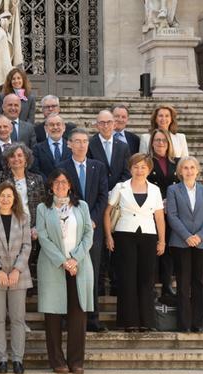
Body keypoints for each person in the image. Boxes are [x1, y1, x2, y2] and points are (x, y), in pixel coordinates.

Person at [36, 169, 94, 374]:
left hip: (80, 266)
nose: (60, 185)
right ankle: (57, 361)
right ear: (51, 187)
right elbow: (43, 237)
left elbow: (89, 234)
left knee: (78, 315)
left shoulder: (82, 206)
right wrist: (63, 261)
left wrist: (74, 259)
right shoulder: (43, 208)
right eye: (56, 182)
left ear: (70, 185)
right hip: (53, 266)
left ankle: (76, 361)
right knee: (52, 315)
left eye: (64, 182)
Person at [105, 153, 166, 332]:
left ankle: (147, 321)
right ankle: (128, 321)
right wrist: (109, 236)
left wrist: (162, 240)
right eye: (136, 167)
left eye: (143, 167)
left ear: (149, 169)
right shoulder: (120, 187)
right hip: (124, 235)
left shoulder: (154, 189)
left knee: (147, 278)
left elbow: (159, 217)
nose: (139, 170)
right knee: (127, 278)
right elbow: (107, 212)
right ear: (130, 168)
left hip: (148, 235)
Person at [57, 129, 109, 332]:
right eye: (76, 141)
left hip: (93, 230)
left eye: (84, 141)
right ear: (69, 144)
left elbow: (103, 195)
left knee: (92, 275)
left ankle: (92, 318)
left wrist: (93, 220)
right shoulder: (62, 167)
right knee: (67, 273)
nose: (81, 145)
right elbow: (62, 196)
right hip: (69, 230)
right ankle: (65, 318)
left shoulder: (98, 166)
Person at [0, 182, 32, 374]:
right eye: (2, 195)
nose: (5, 199)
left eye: (9, 196)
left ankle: (18, 359)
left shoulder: (23, 218)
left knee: (18, 319)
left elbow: (27, 246)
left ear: (15, 199)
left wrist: (17, 269)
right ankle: (1, 359)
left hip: (19, 275)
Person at [166, 157, 203, 333]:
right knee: (183, 283)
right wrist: (187, 236)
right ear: (180, 171)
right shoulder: (173, 190)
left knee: (199, 283)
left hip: (202, 244)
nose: (188, 171)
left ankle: (197, 323)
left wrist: (199, 236)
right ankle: (184, 323)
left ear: (197, 170)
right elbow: (172, 216)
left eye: (192, 167)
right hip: (180, 243)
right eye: (185, 168)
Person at [147, 129, 180, 297]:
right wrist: (159, 203)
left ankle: (167, 285)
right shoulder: (147, 162)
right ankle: (151, 286)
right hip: (151, 212)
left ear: (169, 143)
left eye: (164, 140)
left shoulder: (177, 163)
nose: (160, 143)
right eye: (157, 140)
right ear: (152, 143)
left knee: (168, 250)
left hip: (172, 212)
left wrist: (171, 202)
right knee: (154, 248)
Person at [0, 143, 45, 231]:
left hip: (31, 229)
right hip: (7, 227)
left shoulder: (37, 179)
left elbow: (42, 206)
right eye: (12, 156)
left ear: (26, 160)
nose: (16, 159)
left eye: (20, 155)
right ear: (7, 161)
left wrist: (36, 227)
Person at [89, 110, 131, 190]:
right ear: (97, 126)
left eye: (109, 122)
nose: (106, 126)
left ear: (114, 125)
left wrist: (116, 191)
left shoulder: (123, 147)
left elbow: (127, 173)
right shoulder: (89, 145)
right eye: (102, 123)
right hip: (97, 193)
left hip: (119, 193)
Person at [30, 113, 71, 178]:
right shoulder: (37, 149)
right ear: (46, 128)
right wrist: (50, 183)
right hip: (45, 186)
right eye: (51, 125)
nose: (55, 127)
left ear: (64, 128)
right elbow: (35, 170)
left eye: (58, 124)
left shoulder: (72, 147)